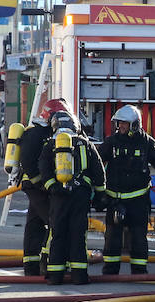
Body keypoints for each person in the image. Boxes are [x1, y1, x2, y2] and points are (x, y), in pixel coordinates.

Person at [98, 104, 155, 275]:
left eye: (124, 123)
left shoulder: (146, 142)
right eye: (119, 123)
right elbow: (97, 161)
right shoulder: (112, 142)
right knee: (112, 238)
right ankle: (110, 271)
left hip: (138, 201)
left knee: (139, 237)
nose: (120, 127)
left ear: (134, 125)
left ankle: (139, 271)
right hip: (115, 199)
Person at [39, 110, 106, 285]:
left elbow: (44, 170)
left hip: (58, 197)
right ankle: (79, 276)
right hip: (80, 195)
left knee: (57, 233)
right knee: (78, 234)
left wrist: (53, 188)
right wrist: (100, 195)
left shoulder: (50, 145)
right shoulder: (85, 143)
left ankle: (55, 276)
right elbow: (98, 170)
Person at [19, 98, 72, 276]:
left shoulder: (49, 133)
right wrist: (41, 183)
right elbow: (27, 160)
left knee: (34, 223)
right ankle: (48, 262)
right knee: (54, 220)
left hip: (39, 185)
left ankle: (31, 266)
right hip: (36, 185)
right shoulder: (36, 134)